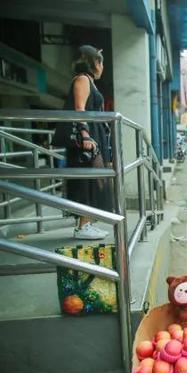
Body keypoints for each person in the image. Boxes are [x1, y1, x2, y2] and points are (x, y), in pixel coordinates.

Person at [52, 45, 111, 240]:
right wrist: (86, 136)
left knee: (95, 181)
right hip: (86, 140)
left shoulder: (90, 81)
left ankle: (88, 222)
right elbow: (79, 108)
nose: (102, 67)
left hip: (93, 137)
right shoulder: (83, 79)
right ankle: (83, 226)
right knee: (87, 181)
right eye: (101, 62)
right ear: (95, 62)